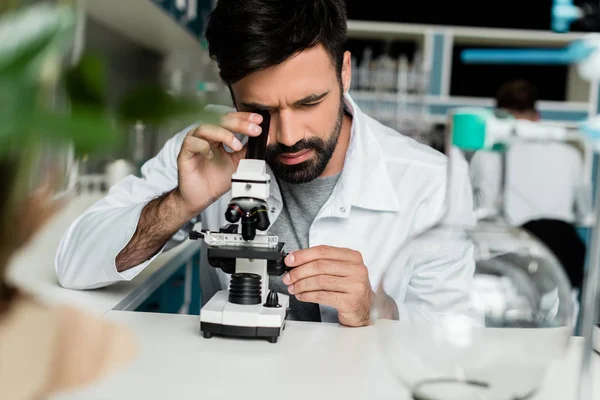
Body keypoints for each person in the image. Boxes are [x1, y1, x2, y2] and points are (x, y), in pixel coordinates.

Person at [56, 0, 476, 326]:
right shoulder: (208, 146)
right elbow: (75, 265)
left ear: (344, 72)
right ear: (231, 94)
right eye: (261, 109)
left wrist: (375, 309)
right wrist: (179, 203)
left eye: (309, 102)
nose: (289, 135)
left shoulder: (433, 182)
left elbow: (450, 332)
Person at [469, 79, 589, 290]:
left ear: (498, 116)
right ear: (537, 116)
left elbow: (481, 210)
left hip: (514, 256)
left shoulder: (488, 155)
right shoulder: (570, 154)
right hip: (563, 256)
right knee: (563, 317)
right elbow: (584, 211)